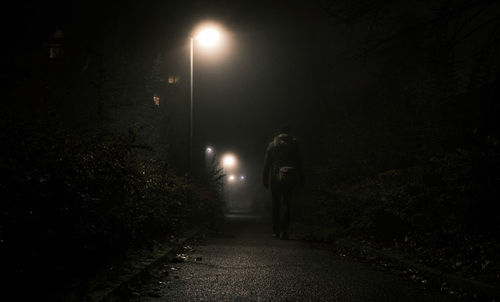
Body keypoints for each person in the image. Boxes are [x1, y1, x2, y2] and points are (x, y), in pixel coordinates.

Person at [263, 125, 304, 240]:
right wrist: (301, 179)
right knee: (287, 204)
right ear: (289, 132)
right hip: (290, 177)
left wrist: (265, 179)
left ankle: (275, 231)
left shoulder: (273, 144)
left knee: (276, 204)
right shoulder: (294, 144)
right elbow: (299, 162)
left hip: (276, 178)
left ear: (279, 132)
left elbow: (267, 164)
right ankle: (284, 232)